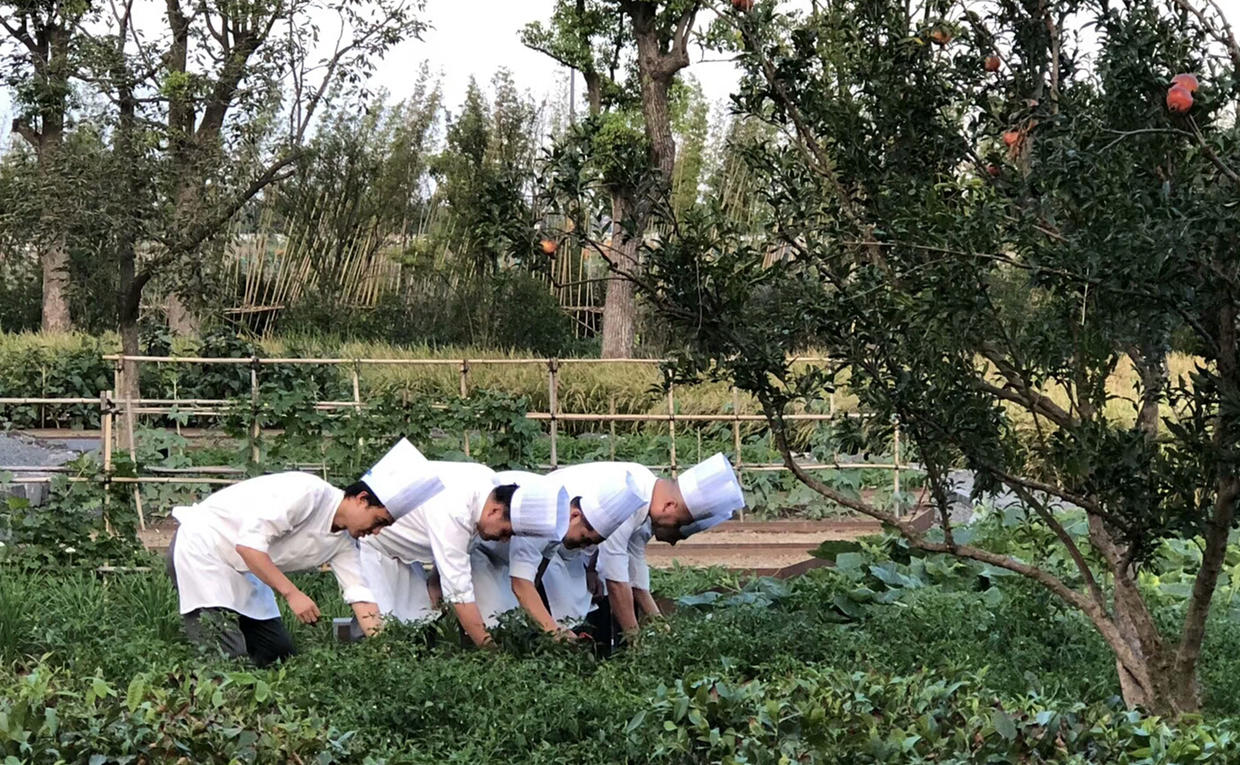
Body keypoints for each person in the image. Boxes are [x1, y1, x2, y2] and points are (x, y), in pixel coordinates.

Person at [165, 438, 442, 666]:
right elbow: (248, 546)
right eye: (378, 521)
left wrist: (385, 653)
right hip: (204, 549)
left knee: (279, 655)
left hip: (245, 568)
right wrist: (292, 593)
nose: (377, 531)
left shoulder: (344, 542)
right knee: (227, 658)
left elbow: (360, 595)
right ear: (361, 500)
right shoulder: (308, 493)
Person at [359, 459, 564, 646]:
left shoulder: (486, 483)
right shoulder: (455, 511)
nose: (503, 540)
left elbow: (460, 547)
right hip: (379, 543)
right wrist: (489, 649)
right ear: (495, 511)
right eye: (505, 532)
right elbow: (460, 595)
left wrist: (435, 579)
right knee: (383, 633)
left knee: (418, 620)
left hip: (409, 549)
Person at [548, 453, 746, 643]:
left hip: (567, 554)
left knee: (579, 612)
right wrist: (636, 640)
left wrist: (661, 627)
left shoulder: (644, 493)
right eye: (677, 524)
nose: (672, 541)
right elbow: (616, 580)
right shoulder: (629, 496)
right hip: (547, 543)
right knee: (555, 624)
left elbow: (636, 574)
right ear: (669, 506)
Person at [471, 469, 645, 641]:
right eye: (584, 538)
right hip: (481, 546)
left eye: (590, 543)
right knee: (491, 627)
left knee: (517, 622)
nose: (582, 546)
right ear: (575, 515)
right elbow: (521, 584)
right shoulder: (542, 516)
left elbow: (537, 573)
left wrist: (540, 622)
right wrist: (555, 632)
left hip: (504, 554)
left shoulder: (561, 521)